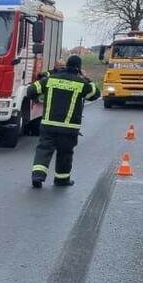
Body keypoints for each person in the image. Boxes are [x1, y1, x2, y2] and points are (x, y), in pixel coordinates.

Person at [29, 55, 100, 188]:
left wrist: (42, 96)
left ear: (66, 65)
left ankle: (37, 175)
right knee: (65, 152)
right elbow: (96, 94)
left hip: (48, 124)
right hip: (69, 127)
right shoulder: (81, 83)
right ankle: (61, 179)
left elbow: (30, 91)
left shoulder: (50, 80)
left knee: (44, 149)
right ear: (78, 68)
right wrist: (86, 78)